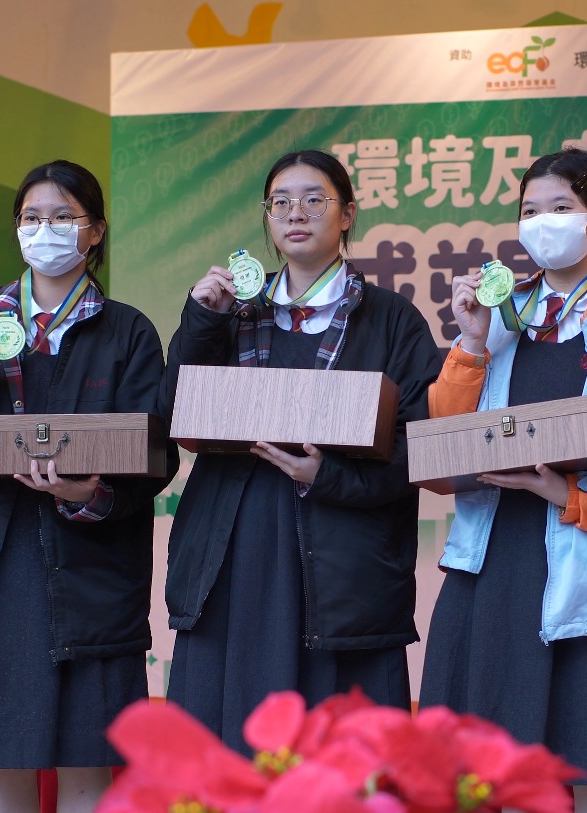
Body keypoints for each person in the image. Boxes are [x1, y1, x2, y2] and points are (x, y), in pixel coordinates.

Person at [0, 160, 174, 813]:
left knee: (88, 766)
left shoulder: (127, 330)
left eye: (62, 217)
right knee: (2, 759)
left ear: (95, 230)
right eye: (31, 218)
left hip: (92, 576)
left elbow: (156, 452)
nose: (44, 230)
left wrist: (87, 494)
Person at [420, 148, 587, 813]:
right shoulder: (498, 317)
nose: (542, 223)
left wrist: (566, 496)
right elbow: (444, 440)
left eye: (560, 207)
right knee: (491, 777)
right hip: (494, 565)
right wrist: (470, 340)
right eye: (530, 211)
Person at [162, 148, 443, 753]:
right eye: (281, 202)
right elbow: (174, 410)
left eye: (314, 199)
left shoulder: (393, 320)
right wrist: (202, 321)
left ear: (347, 215)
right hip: (235, 557)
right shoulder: (230, 311)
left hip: (344, 571)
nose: (296, 213)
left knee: (344, 764)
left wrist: (328, 476)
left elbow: (421, 447)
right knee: (228, 759)